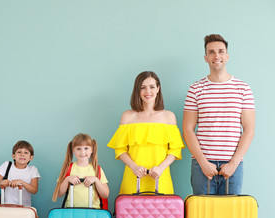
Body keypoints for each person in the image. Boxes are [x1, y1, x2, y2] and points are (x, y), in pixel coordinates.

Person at [183, 34, 255, 195]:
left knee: (230, 217)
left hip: (233, 166)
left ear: (227, 56)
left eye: (221, 51)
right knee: (202, 217)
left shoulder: (243, 88)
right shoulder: (195, 89)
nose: (217, 56)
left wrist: (233, 164)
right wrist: (203, 162)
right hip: (201, 166)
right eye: (211, 52)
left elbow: (249, 130)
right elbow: (188, 129)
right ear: (206, 57)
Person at [107, 71, 185, 194]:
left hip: (161, 177)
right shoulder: (127, 116)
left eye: (152, 87)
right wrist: (134, 167)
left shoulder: (169, 117)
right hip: (133, 177)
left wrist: (161, 168)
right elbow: (120, 149)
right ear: (137, 90)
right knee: (129, 212)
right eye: (143, 87)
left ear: (158, 89)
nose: (148, 91)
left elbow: (175, 150)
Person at [52, 133, 109, 209]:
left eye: (86, 148)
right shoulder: (69, 168)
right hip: (71, 211)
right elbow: (59, 193)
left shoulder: (97, 169)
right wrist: (67, 179)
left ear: (92, 150)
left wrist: (96, 180)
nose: (82, 152)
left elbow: (105, 194)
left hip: (94, 211)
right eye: (78, 149)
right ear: (73, 150)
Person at [0, 140, 40, 207]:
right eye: (19, 152)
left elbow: (34, 190)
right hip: (6, 206)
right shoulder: (7, 165)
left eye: (26, 153)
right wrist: (2, 182)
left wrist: (21, 182)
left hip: (25, 208)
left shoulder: (33, 169)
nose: (22, 155)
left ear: (31, 157)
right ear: (13, 155)